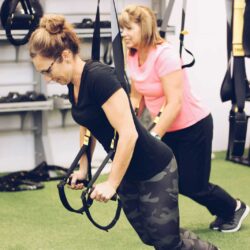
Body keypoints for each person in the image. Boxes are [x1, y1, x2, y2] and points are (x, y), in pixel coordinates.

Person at [28, 14, 219, 250]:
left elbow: (128, 133)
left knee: (167, 244)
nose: (47, 79)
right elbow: (87, 121)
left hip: (155, 167)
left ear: (65, 56)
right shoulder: (72, 84)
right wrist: (83, 167)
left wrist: (111, 183)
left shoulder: (100, 78)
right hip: (128, 169)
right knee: (151, 236)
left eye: (47, 71)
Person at [119, 4, 249, 233]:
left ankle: (233, 207)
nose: (124, 34)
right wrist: (127, 121)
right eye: (122, 29)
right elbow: (136, 94)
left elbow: (175, 103)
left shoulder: (165, 55)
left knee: (192, 185)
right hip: (167, 127)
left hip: (193, 126)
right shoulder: (132, 54)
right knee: (163, 177)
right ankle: (163, 224)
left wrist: (154, 135)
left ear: (145, 27)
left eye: (128, 28)